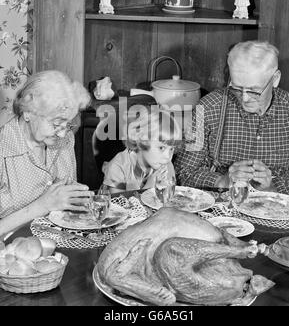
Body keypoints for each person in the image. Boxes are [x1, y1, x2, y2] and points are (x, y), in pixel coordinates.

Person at [174, 41, 289, 196]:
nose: (245, 98)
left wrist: (272, 187)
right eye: (237, 88)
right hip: (222, 207)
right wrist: (222, 181)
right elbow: (184, 172)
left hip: (279, 208)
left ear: (275, 79)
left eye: (254, 91)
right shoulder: (206, 108)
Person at [0, 70, 93, 238]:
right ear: (28, 112)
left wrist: (73, 198)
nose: (63, 134)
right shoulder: (3, 149)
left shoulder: (64, 138)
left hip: (57, 245)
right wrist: (43, 205)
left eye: (69, 125)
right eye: (56, 124)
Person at [103, 108, 182, 194]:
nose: (168, 157)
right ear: (141, 140)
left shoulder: (166, 164)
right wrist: (149, 187)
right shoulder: (118, 167)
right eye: (161, 148)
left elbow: (170, 196)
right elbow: (118, 203)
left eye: (171, 149)